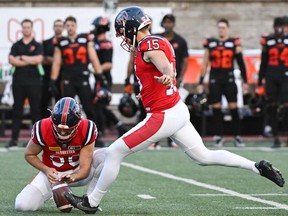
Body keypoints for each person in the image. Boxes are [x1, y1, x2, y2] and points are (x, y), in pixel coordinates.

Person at [64, 7, 284, 214]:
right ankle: (256, 167)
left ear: (131, 28)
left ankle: (92, 201)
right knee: (204, 156)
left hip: (163, 115)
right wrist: (149, 89)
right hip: (176, 109)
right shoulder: (159, 40)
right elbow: (156, 70)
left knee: (114, 152)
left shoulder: (147, 45)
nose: (123, 37)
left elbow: (163, 65)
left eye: (123, 32)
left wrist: (168, 74)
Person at [14, 97, 106, 212]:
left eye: (67, 130)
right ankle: (55, 191)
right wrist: (46, 170)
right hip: (52, 175)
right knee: (22, 206)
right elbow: (29, 154)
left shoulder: (87, 128)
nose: (62, 132)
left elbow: (85, 169)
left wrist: (72, 177)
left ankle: (90, 201)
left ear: (77, 124)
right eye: (58, 129)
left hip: (76, 172)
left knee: (106, 155)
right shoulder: (43, 127)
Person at [198, 18, 248, 147]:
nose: (221, 29)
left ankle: (237, 136)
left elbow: (241, 63)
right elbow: (205, 63)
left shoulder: (234, 43)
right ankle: (219, 136)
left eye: (223, 27)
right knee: (216, 108)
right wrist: (200, 81)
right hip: (215, 78)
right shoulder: (211, 43)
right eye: (219, 27)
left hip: (229, 78)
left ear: (228, 28)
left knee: (233, 107)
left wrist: (245, 80)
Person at [50, 16, 102, 121]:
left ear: (76, 26)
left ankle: (93, 130)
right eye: (68, 26)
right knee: (66, 108)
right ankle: (66, 131)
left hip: (83, 77)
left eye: (72, 25)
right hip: (68, 78)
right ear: (65, 27)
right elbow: (57, 62)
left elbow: (93, 58)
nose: (70, 28)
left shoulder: (85, 38)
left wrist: (99, 75)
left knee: (88, 107)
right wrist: (53, 80)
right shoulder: (60, 41)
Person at [90, 16, 128, 147]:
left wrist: (95, 68)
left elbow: (108, 64)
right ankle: (120, 126)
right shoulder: (94, 41)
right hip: (97, 78)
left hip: (103, 79)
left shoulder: (106, 43)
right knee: (97, 106)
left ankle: (100, 132)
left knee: (98, 106)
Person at [6, 19, 43, 148]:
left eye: (28, 27)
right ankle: (14, 139)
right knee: (17, 110)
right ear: (21, 29)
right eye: (24, 27)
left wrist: (21, 57)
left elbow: (38, 59)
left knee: (35, 111)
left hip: (34, 82)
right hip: (19, 82)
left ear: (32, 29)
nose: (26, 29)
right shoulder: (16, 45)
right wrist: (29, 60)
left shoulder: (37, 45)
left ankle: (37, 140)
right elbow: (11, 60)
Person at [153, 13, 189, 149]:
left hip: (174, 79)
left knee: (174, 108)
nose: (168, 24)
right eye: (166, 22)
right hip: (161, 79)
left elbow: (185, 61)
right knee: (160, 109)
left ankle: (173, 139)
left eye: (170, 22)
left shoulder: (180, 41)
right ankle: (156, 139)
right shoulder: (158, 39)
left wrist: (179, 78)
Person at [258, 17, 288, 148]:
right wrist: (260, 80)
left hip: (286, 76)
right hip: (271, 76)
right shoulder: (268, 40)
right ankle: (276, 137)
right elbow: (263, 61)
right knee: (271, 106)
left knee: (286, 106)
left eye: (282, 25)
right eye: (277, 26)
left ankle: (286, 135)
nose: (279, 28)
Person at [41, 19, 64, 118]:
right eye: (56, 26)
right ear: (53, 27)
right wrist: (56, 60)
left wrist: (53, 60)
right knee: (43, 103)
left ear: (63, 28)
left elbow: (66, 61)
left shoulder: (66, 42)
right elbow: (42, 59)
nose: (58, 28)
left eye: (60, 26)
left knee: (61, 104)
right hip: (47, 78)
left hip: (61, 78)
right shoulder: (46, 43)